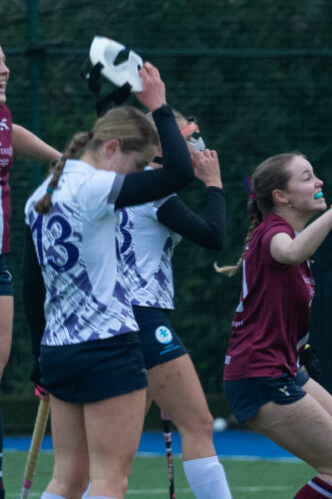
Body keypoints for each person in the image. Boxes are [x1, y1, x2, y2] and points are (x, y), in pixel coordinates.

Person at [25, 62, 195, 499]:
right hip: (107, 348)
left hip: (58, 349)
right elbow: (179, 174)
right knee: (109, 480)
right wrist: (159, 107)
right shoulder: (95, 186)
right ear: (113, 147)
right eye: (137, 166)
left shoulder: (41, 194)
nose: (137, 178)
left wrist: (38, 350)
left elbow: (32, 285)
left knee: (67, 479)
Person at [218, 152, 332, 499]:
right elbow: (290, 252)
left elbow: (277, 309)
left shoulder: (290, 239)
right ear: (281, 196)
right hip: (258, 376)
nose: (318, 182)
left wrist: (300, 348)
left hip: (283, 369)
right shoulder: (274, 233)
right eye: (306, 177)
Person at [120, 113, 233, 499]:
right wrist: (214, 184)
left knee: (120, 444)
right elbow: (214, 236)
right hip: (144, 317)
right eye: (190, 135)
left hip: (119, 317)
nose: (200, 142)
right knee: (199, 425)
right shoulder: (154, 194)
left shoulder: (124, 184)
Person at [0, 42, 63, 497]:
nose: (4, 70)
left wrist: (61, 160)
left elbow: (13, 133)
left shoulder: (2, 117)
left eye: (4, 61)